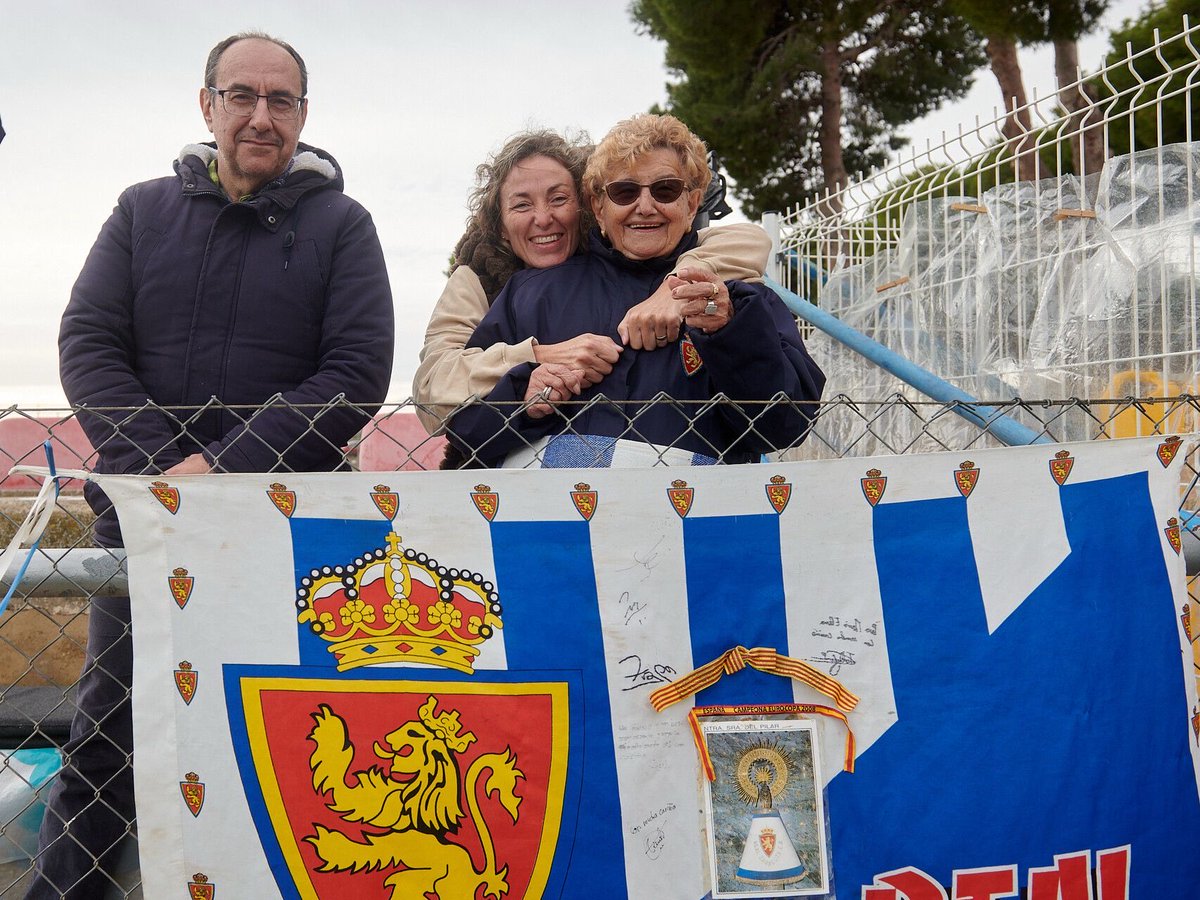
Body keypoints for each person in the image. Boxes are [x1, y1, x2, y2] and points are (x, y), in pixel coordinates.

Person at [30, 32, 394, 898]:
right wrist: (165, 471)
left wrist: (223, 471)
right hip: (144, 524)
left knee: (293, 736)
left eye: (281, 101)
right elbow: (88, 342)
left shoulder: (345, 227)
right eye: (242, 96)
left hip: (284, 529)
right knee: (108, 736)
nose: (260, 117)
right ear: (208, 104)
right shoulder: (141, 210)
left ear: (304, 117)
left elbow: (355, 371)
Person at [446, 114, 823, 469]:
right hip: (558, 530)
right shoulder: (529, 295)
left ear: (692, 203)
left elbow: (784, 426)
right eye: (624, 192)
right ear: (598, 205)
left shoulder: (734, 299)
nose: (645, 207)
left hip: (692, 524)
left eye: (665, 189)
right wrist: (523, 396)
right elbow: (464, 433)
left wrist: (725, 333)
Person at [412, 129, 773, 435]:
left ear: (587, 207)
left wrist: (674, 287)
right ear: (501, 226)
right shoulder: (479, 280)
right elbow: (432, 388)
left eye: (558, 199)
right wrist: (536, 357)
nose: (543, 218)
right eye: (522, 206)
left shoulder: (614, 252)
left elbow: (748, 239)